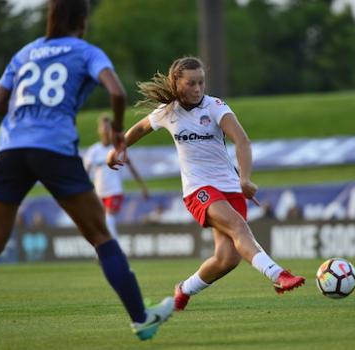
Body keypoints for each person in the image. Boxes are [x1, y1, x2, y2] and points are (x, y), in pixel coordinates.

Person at [0, 1, 173, 348]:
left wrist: (27, 110)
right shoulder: (86, 51)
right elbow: (115, 91)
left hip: (10, 150)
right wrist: (117, 132)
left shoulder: (25, 52)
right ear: (82, 21)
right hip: (53, 147)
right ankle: (140, 319)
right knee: (101, 236)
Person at [107, 57, 305, 311]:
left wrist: (244, 178)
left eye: (201, 82)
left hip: (230, 188)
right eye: (191, 83)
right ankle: (279, 276)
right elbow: (140, 129)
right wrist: (118, 149)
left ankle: (184, 288)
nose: (198, 88)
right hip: (198, 189)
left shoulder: (215, 107)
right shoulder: (168, 112)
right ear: (176, 83)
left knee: (227, 259)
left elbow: (242, 141)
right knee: (238, 226)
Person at [83, 115, 149, 239]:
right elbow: (85, 173)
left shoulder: (116, 149)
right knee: (102, 223)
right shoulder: (93, 151)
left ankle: (114, 249)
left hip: (114, 191)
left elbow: (131, 167)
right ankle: (105, 251)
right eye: (103, 128)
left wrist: (142, 186)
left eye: (108, 128)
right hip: (99, 193)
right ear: (99, 130)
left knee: (109, 218)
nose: (105, 131)